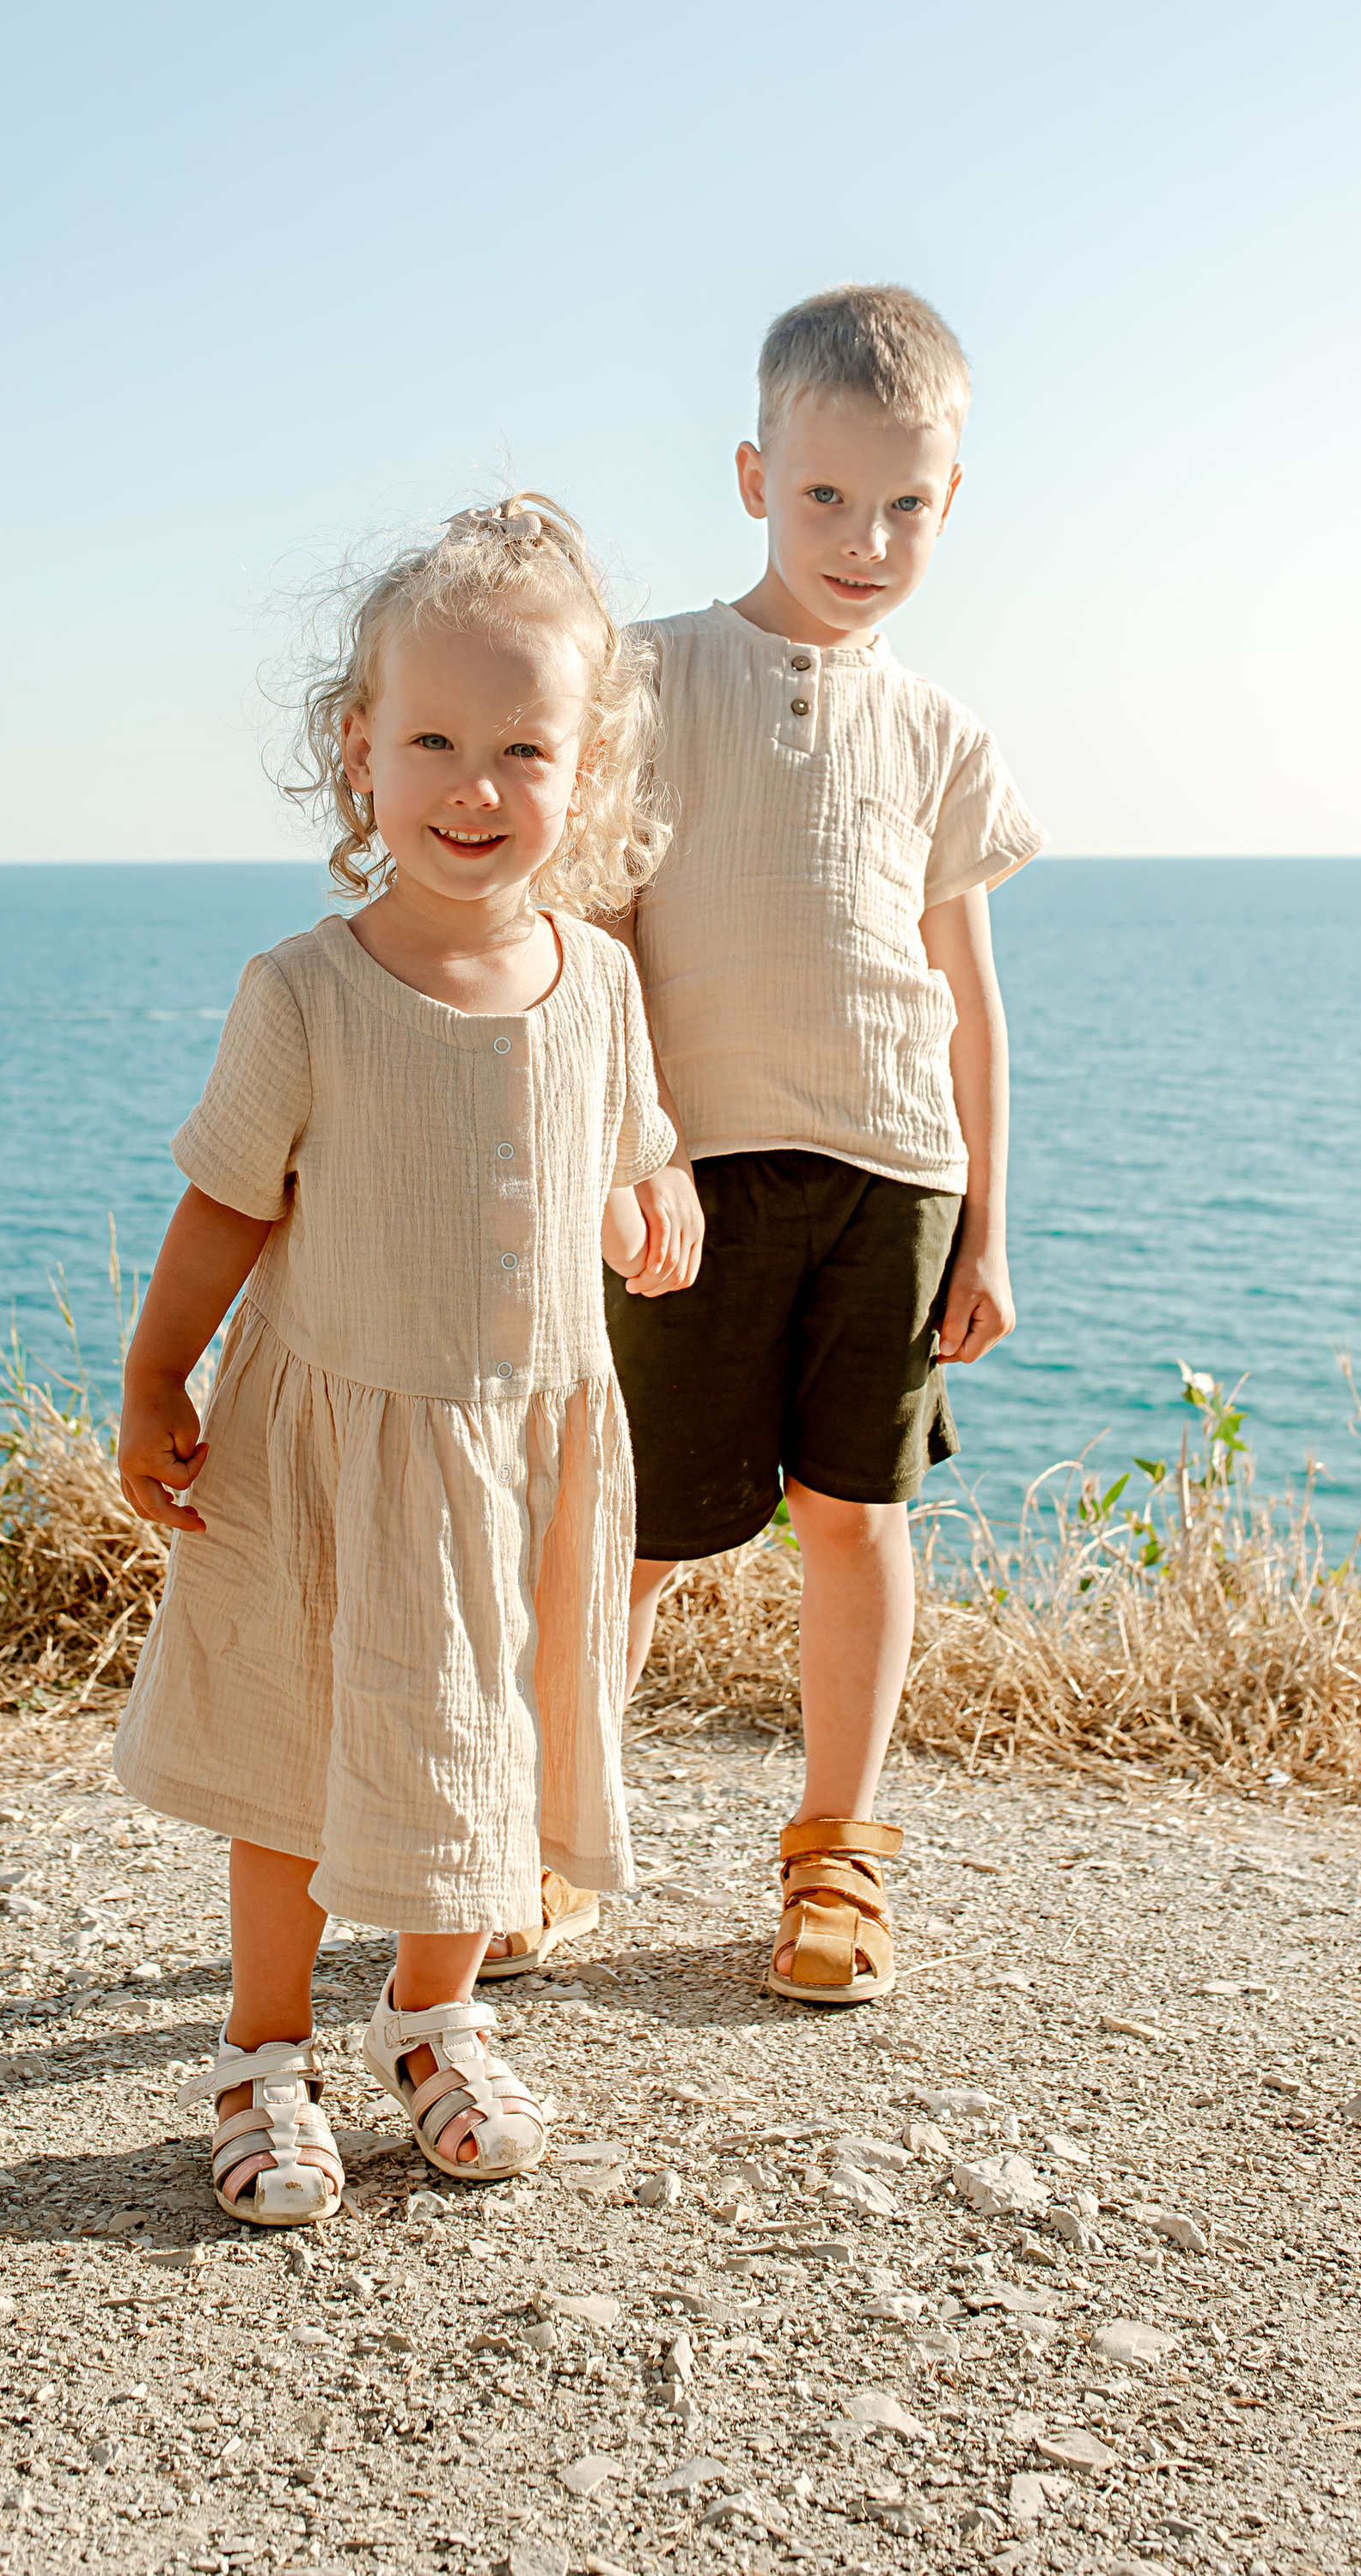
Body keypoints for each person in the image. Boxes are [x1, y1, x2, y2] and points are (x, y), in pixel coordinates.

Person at [110, 495, 692, 2226]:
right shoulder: (305, 992)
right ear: (358, 750)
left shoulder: (599, 981)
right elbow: (226, 1204)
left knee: (490, 1751)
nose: (474, 784)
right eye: (432, 740)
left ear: (586, 771)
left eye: (523, 748)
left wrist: (646, 1210)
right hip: (334, 1449)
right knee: (295, 1760)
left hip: (521, 1449)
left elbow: (618, 1153)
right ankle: (262, 2049)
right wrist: (154, 1379)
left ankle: (433, 2018)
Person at [588, 283, 1043, 2007]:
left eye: (905, 505)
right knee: (633, 1533)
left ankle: (836, 1858)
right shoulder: (645, 677)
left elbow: (969, 1004)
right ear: (752, 477)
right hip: (689, 1177)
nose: (864, 541)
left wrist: (987, 1227)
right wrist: (631, 1153)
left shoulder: (943, 734)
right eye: (825, 498)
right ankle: (558, 1838)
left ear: (950, 501)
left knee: (855, 1517)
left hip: (895, 1173)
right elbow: (599, 942)